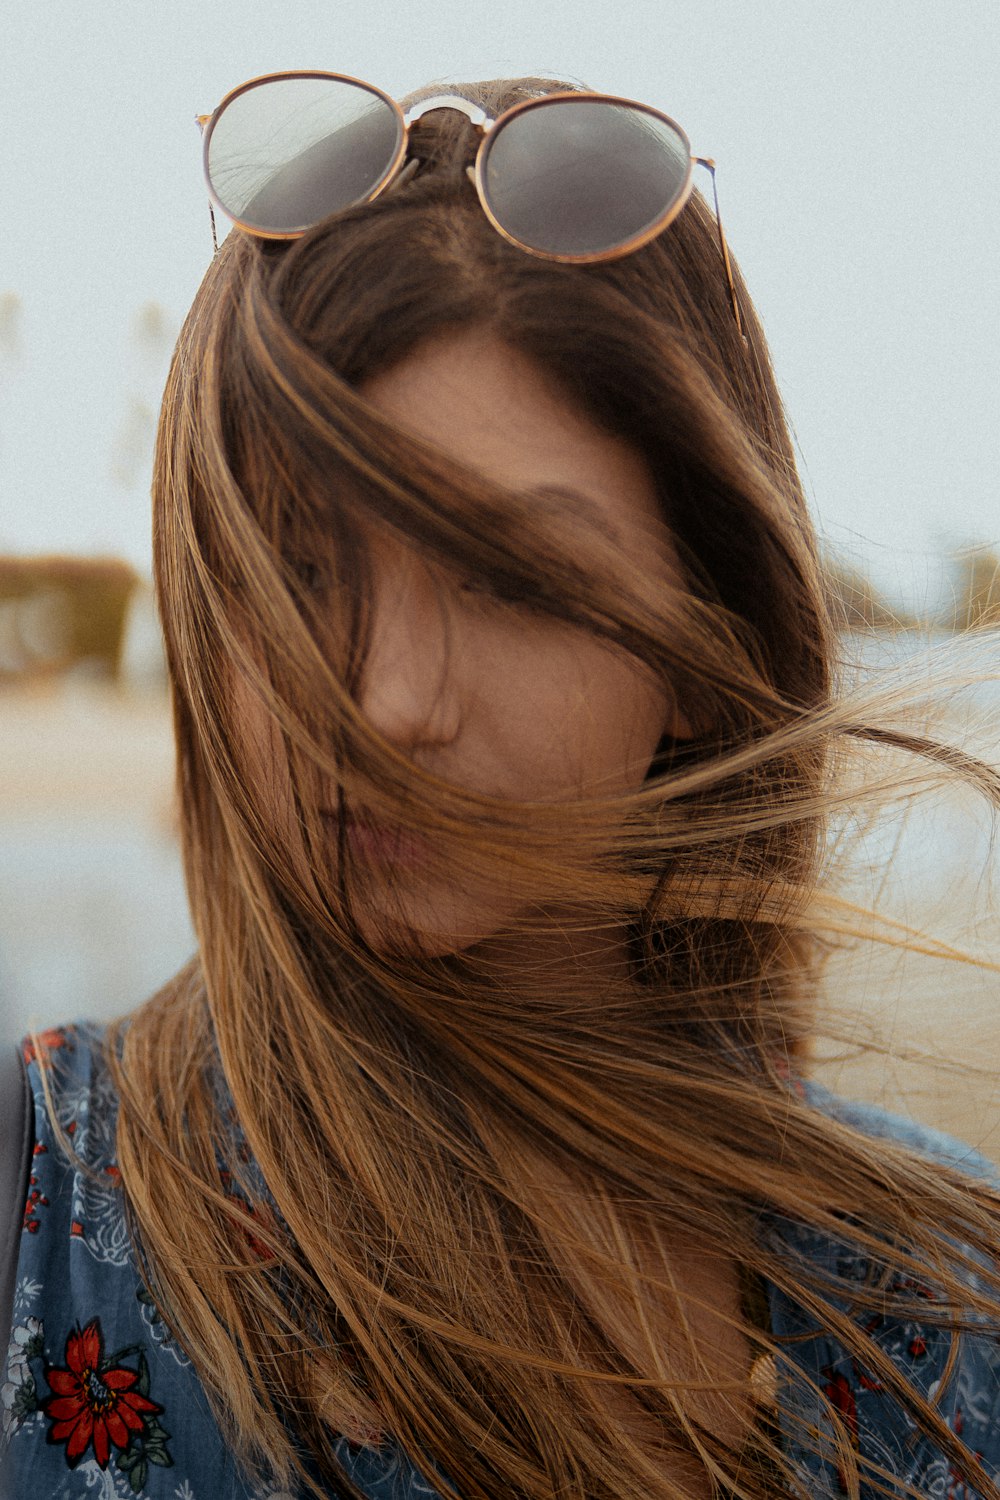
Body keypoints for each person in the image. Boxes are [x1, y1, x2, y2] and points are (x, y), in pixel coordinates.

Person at [3, 70, 1000, 1500]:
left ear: (709, 649)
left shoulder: (948, 1302)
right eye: (296, 571)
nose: (391, 701)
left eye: (518, 577)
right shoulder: (36, 1209)